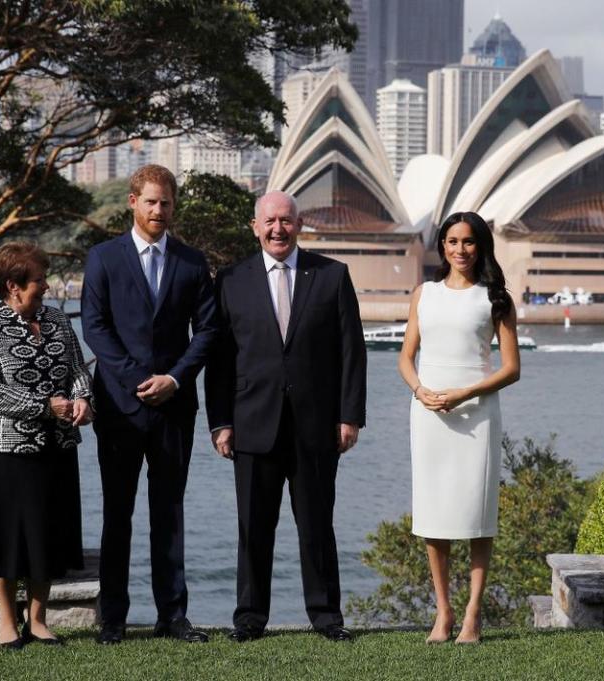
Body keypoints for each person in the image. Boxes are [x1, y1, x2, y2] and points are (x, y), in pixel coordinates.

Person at [205, 191, 367, 643]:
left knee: (317, 526)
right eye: (270, 221)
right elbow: (219, 360)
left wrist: (349, 416)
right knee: (253, 528)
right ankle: (250, 619)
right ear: (256, 227)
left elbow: (352, 352)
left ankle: (326, 617)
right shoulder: (232, 280)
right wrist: (220, 422)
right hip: (251, 424)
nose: (279, 229)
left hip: (316, 427)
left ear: (300, 225)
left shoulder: (332, 276)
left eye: (287, 221)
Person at [81, 164, 217, 645]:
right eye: (152, 201)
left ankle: (172, 617)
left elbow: (208, 332)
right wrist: (142, 381)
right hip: (119, 407)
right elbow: (95, 328)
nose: (160, 210)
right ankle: (113, 619)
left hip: (174, 409)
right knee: (118, 514)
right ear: (133, 202)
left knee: (170, 513)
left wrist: (175, 380)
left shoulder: (192, 262)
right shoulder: (103, 258)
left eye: (167, 203)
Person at [397, 211, 520, 645]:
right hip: (429, 415)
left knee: (477, 515)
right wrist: (421, 391)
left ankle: (473, 615)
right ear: (442, 246)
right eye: (452, 241)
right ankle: (443, 613)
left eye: (468, 242)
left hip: (476, 415)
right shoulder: (424, 294)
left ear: (481, 245)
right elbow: (405, 357)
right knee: (434, 515)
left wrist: (463, 394)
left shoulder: (496, 298)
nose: (460, 250)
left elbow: (511, 369)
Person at [0, 241, 93, 649]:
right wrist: (44, 407)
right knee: (4, 535)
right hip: (2, 448)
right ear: (12, 286)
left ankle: (37, 620)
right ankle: (7, 622)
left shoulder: (56, 320)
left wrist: (83, 399)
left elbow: (77, 369)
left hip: (57, 446)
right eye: (39, 280)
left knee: (49, 533)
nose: (47, 287)